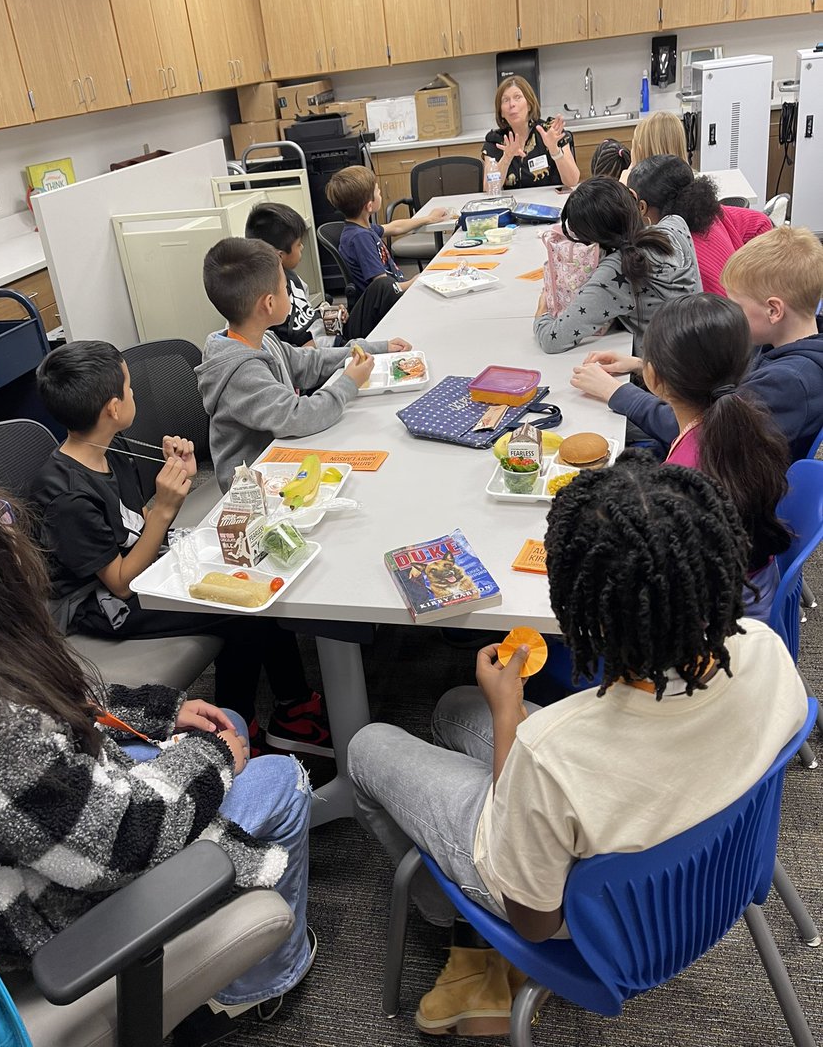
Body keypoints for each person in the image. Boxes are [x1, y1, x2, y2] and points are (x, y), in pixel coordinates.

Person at [348, 456, 806, 1037]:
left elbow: (534, 922)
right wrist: (508, 717)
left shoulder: (552, 749)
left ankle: (455, 919)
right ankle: (461, 898)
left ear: (581, 608)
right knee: (454, 709)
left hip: (597, 929)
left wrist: (512, 715)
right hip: (725, 877)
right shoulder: (766, 648)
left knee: (367, 745)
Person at [0, 459, 315, 1037]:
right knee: (280, 779)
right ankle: (255, 991)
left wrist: (160, 713)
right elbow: (124, 840)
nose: (15, 534)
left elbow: (59, 702)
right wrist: (212, 760)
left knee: (224, 717)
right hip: (46, 915)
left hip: (42, 840)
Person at [32, 341, 333, 758]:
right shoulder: (67, 496)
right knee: (239, 612)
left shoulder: (110, 450)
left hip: (136, 569)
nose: (135, 394)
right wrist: (166, 507)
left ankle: (293, 704)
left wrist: (173, 490)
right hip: (99, 605)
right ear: (113, 408)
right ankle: (232, 729)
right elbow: (120, 584)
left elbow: (135, 527)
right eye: (130, 388)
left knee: (253, 571)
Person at [570, 226, 823, 461]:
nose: (731, 312)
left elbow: (699, 434)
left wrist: (615, 392)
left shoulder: (790, 382)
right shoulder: (774, 342)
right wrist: (642, 364)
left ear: (774, 310)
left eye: (737, 305)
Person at [197, 236, 409, 491]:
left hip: (281, 459)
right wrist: (349, 382)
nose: (290, 291)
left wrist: (368, 348)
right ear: (269, 303)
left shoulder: (260, 339)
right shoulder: (241, 371)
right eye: (285, 286)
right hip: (254, 489)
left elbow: (309, 363)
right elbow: (297, 416)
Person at [641, 293, 791, 617]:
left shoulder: (681, 481)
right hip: (755, 589)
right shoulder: (750, 425)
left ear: (652, 378)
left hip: (720, 628)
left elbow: (667, 588)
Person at [533, 175, 699, 354]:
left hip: (657, 371)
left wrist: (542, 313)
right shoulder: (675, 223)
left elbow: (552, 339)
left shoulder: (616, 271)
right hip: (700, 350)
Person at [628, 154, 772, 295]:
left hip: (723, 313)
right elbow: (761, 222)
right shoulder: (711, 215)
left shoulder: (668, 255)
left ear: (642, 207)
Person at [325, 164, 447, 296]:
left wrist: (428, 218)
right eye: (378, 191)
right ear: (369, 206)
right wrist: (415, 281)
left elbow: (396, 227)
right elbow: (383, 287)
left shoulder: (362, 228)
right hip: (390, 301)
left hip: (397, 290)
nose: (380, 193)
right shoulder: (361, 238)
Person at [244, 201, 339, 347]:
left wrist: (330, 315)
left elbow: (306, 316)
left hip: (329, 342)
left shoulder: (293, 279)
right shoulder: (267, 305)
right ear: (279, 256)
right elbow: (288, 356)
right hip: (317, 360)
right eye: (298, 244)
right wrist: (311, 348)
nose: (302, 247)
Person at [482, 76, 579, 191]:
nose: (511, 104)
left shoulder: (550, 131)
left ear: (529, 104)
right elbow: (488, 189)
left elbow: (572, 181)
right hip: (514, 206)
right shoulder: (496, 141)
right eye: (505, 100)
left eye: (517, 97)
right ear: (501, 112)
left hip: (551, 204)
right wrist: (507, 158)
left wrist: (554, 149)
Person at [620, 110, 688, 182]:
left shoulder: (636, 189)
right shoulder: (691, 183)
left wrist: (624, 183)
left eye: (633, 146)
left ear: (640, 151)